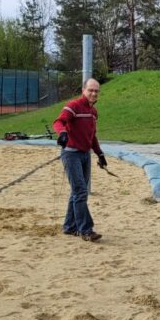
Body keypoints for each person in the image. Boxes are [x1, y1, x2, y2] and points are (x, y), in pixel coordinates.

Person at [53, 78, 108, 242]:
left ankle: (69, 227)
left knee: (77, 192)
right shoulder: (73, 106)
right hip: (71, 154)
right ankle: (86, 230)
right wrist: (62, 133)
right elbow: (58, 122)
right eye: (90, 90)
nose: (93, 93)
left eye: (96, 91)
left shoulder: (93, 112)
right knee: (81, 191)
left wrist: (100, 154)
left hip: (85, 154)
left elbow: (92, 136)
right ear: (83, 90)